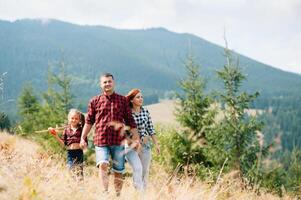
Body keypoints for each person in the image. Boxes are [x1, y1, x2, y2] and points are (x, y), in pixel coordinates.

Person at [79, 73, 139, 196]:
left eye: (109, 81)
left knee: (118, 171)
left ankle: (117, 195)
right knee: (103, 165)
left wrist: (136, 139)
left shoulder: (122, 100)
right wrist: (82, 137)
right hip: (101, 141)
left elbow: (130, 121)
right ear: (101, 84)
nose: (107, 84)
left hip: (118, 141)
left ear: (113, 83)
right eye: (105, 82)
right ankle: (105, 194)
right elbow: (89, 121)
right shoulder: (94, 101)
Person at [125, 88, 160, 190]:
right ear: (131, 100)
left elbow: (150, 128)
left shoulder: (145, 111)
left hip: (145, 146)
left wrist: (156, 144)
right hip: (131, 147)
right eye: (138, 97)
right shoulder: (127, 113)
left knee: (144, 172)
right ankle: (138, 194)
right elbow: (123, 131)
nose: (141, 99)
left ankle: (142, 194)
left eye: (141, 97)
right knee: (137, 168)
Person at [48, 108, 86, 180]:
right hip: (70, 153)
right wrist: (55, 135)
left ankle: (80, 187)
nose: (74, 120)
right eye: (72, 118)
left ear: (79, 120)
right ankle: (73, 185)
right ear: (69, 118)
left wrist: (83, 144)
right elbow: (63, 144)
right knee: (70, 169)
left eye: (76, 118)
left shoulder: (82, 130)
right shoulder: (66, 130)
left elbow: (85, 142)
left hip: (79, 152)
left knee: (79, 172)